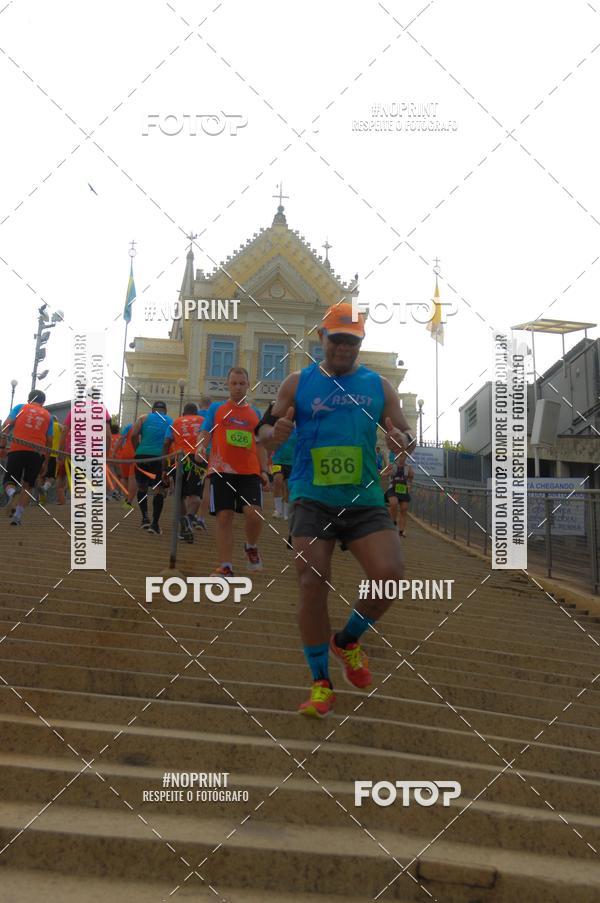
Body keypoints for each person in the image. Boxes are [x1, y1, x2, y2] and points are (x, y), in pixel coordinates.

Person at [257, 302, 415, 718]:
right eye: (337, 339)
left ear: (360, 343)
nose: (344, 348)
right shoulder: (298, 382)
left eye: (353, 341)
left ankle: (346, 641)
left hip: (363, 499)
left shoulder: (379, 385)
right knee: (312, 578)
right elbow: (264, 430)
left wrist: (403, 439)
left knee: (390, 576)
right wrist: (278, 432)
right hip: (312, 495)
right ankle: (320, 683)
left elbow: (404, 429)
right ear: (321, 339)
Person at [195, 368, 269, 577]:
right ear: (227, 385)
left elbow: (260, 444)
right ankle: (226, 566)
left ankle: (251, 546)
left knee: (254, 515)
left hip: (249, 472)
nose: (238, 387)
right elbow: (205, 431)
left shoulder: (255, 414)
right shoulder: (217, 409)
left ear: (248, 385)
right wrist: (200, 448)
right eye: (234, 383)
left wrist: (264, 471)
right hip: (221, 470)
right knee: (224, 517)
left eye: (242, 383)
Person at [1, 390, 53, 525]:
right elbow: (49, 441)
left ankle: (12, 493)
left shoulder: (20, 407)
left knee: (8, 481)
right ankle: (17, 517)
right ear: (43, 402)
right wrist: (46, 462)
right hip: (36, 453)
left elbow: (6, 425)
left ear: (29, 399)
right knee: (28, 485)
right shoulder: (48, 416)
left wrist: (2, 446)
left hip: (17, 449)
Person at [162, 402, 206, 542]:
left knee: (180, 495)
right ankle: (189, 518)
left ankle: (184, 527)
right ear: (196, 413)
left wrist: (164, 468)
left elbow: (166, 443)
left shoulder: (176, 422)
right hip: (198, 459)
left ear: (183, 413)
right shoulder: (203, 421)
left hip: (179, 458)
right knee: (196, 495)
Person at [129, 400, 174, 535]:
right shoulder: (170, 420)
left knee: (142, 487)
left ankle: (144, 518)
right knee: (159, 489)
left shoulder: (143, 418)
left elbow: (133, 435)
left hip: (142, 456)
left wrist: (138, 449)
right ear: (164, 411)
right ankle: (154, 523)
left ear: (153, 410)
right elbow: (170, 440)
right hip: (160, 458)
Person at [384, 449, 415, 537]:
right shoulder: (392, 465)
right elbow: (382, 474)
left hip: (403, 489)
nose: (402, 458)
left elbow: (410, 479)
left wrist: (410, 482)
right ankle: (393, 522)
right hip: (393, 488)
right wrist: (386, 473)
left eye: (404, 456)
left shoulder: (408, 467)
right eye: (400, 456)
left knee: (404, 509)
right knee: (393, 503)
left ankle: (401, 531)